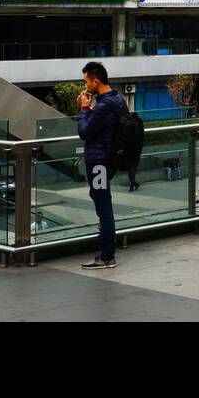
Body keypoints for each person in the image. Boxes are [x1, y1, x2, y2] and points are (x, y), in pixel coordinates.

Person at [76, 61, 127, 270]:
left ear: (96, 81)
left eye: (86, 81)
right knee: (100, 199)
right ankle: (107, 250)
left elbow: (85, 132)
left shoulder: (103, 107)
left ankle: (107, 256)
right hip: (108, 160)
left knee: (103, 205)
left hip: (98, 162)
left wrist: (84, 109)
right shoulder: (117, 99)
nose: (85, 85)